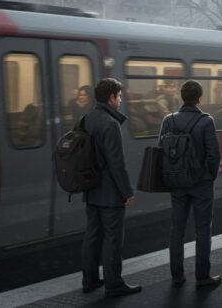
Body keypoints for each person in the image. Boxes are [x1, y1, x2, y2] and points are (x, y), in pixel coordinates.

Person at [158, 81, 222, 289]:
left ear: (181, 97)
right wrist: (208, 176)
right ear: (199, 98)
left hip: (177, 183)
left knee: (176, 230)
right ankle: (202, 277)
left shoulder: (168, 120)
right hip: (200, 183)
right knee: (202, 230)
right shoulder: (206, 121)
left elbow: (162, 151)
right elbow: (214, 154)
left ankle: (177, 275)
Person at [81, 78, 141, 297]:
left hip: (91, 189)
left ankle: (89, 280)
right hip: (109, 193)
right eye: (120, 96)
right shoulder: (110, 123)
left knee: (92, 236)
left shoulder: (87, 119)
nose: (121, 100)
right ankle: (114, 284)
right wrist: (127, 192)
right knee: (113, 239)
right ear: (111, 97)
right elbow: (116, 163)